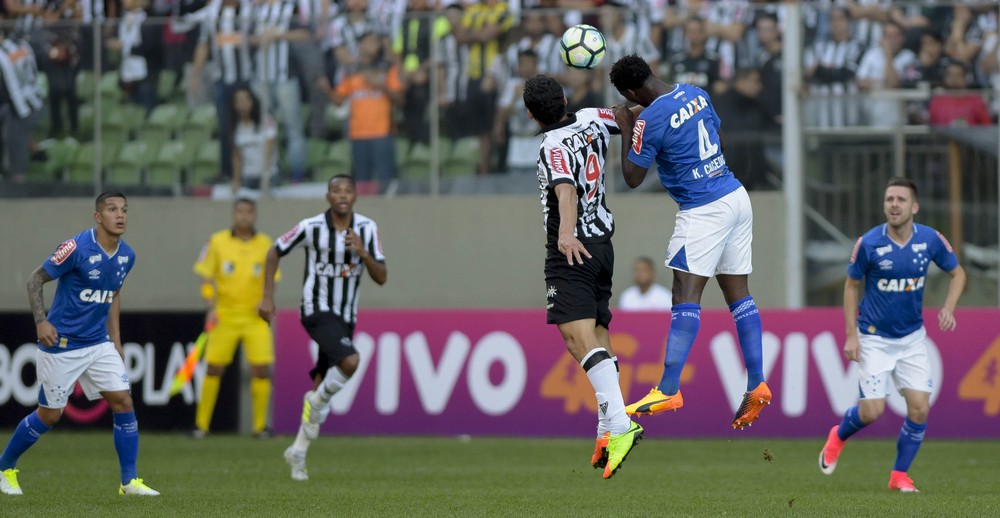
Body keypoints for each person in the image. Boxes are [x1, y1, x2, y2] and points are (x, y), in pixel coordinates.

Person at [608, 54, 771, 430]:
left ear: (631, 91)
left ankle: (667, 387)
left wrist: (626, 123)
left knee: (684, 292)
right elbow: (720, 138)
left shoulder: (648, 119)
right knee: (739, 294)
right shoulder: (696, 92)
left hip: (703, 209)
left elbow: (632, 177)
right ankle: (756, 380)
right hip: (734, 195)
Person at [523, 74, 643, 479]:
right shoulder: (592, 117)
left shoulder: (551, 144)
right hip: (604, 246)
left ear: (530, 114)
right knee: (597, 336)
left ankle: (621, 425)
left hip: (572, 250)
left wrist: (565, 233)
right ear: (564, 99)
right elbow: (630, 114)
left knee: (577, 339)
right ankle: (607, 428)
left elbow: (565, 190)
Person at [0, 192, 159, 496]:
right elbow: (35, 279)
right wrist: (41, 321)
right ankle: (4, 466)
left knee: (123, 401)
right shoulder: (76, 248)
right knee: (50, 415)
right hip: (62, 344)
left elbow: (113, 294)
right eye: (112, 210)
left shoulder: (128, 255)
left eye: (124, 210)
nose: (120, 215)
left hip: (98, 343)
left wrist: (116, 339)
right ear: (98, 217)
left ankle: (129, 482)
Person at [819, 177, 966, 493]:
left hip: (912, 339)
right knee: (872, 412)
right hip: (874, 338)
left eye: (900, 199)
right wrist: (851, 335)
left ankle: (899, 475)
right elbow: (851, 286)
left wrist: (949, 308)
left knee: (919, 409)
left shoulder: (930, 240)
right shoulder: (870, 243)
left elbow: (958, 273)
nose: (894, 205)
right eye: (889, 200)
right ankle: (838, 437)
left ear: (914, 206)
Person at [258, 175, 387, 481]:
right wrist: (266, 297)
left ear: (355, 196)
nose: (342, 195)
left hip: (346, 316)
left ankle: (298, 453)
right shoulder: (311, 227)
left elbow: (381, 276)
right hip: (316, 309)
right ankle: (314, 402)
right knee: (351, 361)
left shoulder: (367, 229)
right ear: (328, 196)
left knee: (323, 384)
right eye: (336, 190)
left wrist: (363, 253)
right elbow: (274, 250)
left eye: (348, 191)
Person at [191, 198, 280, 439]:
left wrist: (267, 302)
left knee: (261, 368)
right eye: (240, 211)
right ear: (233, 214)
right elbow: (206, 277)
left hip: (255, 317)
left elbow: (272, 278)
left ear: (254, 215)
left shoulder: (266, 244)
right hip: (225, 315)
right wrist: (210, 305)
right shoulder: (217, 241)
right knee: (214, 368)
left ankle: (260, 428)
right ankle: (201, 426)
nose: (244, 216)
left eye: (248, 212)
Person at [230, 87, 278, 194]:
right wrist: (236, 181)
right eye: (238, 101)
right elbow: (237, 157)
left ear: (252, 101)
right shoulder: (236, 127)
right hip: (248, 175)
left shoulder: (266, 120)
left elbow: (269, 148)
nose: (241, 104)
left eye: (244, 100)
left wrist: (265, 175)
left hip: (268, 176)